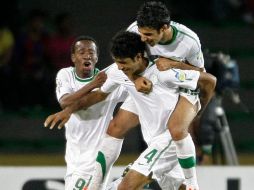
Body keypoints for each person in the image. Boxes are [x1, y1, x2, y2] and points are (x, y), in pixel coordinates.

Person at [45, 31, 216, 190]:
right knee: (115, 129)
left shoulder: (164, 72)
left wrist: (195, 112)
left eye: (123, 63)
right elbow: (98, 96)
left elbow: (210, 81)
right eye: (117, 62)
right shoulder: (118, 71)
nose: (119, 68)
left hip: (168, 139)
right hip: (153, 140)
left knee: (126, 186)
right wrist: (68, 111)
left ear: (138, 57)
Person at [126, 1, 208, 188]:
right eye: (141, 33)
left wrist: (175, 64)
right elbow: (122, 61)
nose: (143, 38)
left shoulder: (189, 40)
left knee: (177, 129)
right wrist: (134, 79)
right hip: (153, 85)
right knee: (117, 126)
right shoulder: (134, 31)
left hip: (183, 86)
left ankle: (191, 184)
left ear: (164, 28)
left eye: (148, 35)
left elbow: (201, 75)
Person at [46, 35, 128, 190]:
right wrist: (93, 84)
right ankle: (123, 184)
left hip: (95, 160)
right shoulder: (66, 75)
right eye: (81, 52)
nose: (87, 55)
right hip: (74, 161)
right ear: (73, 57)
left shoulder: (109, 81)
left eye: (91, 52)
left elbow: (133, 91)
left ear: (96, 57)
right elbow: (66, 102)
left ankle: (127, 183)